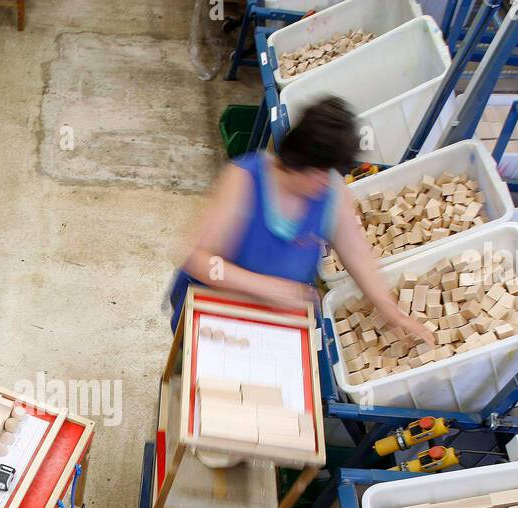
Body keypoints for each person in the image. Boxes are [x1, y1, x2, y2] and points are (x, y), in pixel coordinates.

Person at [167, 95, 433, 348]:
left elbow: (358, 255)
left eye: (329, 172)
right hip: (215, 313)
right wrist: (267, 288)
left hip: (274, 324)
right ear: (296, 159)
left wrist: (392, 312)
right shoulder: (244, 180)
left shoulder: (331, 190)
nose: (323, 183)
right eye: (317, 172)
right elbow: (199, 260)